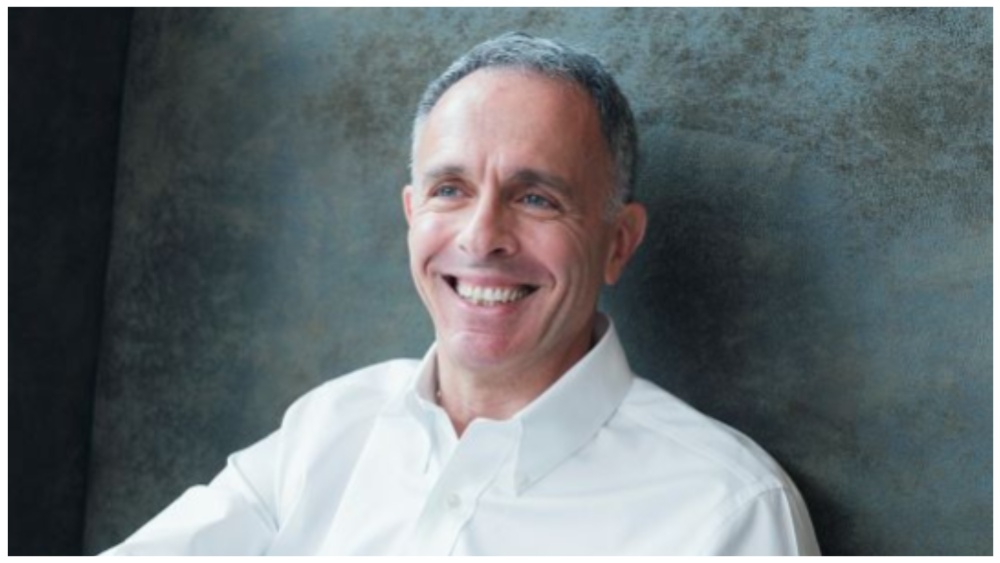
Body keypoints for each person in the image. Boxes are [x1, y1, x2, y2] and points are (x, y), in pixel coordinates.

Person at [104, 32, 820, 556]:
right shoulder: (329, 428)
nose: (482, 238)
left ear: (618, 243)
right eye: (450, 189)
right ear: (412, 213)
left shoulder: (727, 512)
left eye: (536, 198)